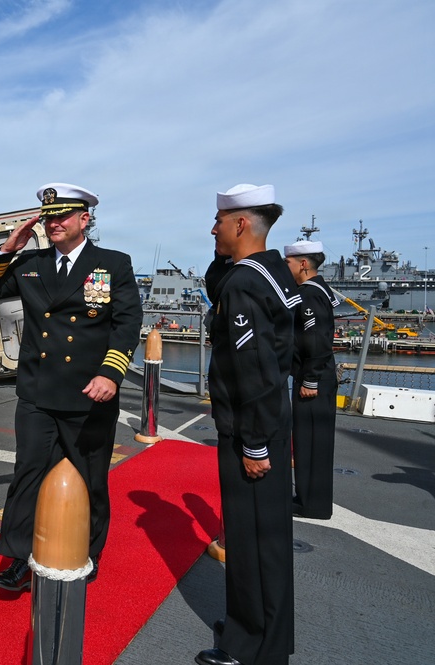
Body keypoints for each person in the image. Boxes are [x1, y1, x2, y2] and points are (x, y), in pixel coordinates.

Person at [0, 183, 142, 591]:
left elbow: (126, 324)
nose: (53, 223)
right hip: (37, 392)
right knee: (27, 474)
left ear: (85, 219)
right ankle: (18, 559)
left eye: (63, 216)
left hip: (89, 393)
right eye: (49, 216)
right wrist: (7, 250)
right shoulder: (30, 263)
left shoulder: (111, 264)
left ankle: (88, 551)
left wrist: (111, 373)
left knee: (90, 478)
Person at [198, 184, 299, 665]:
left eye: (220, 221)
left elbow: (253, 368)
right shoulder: (270, 272)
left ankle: (251, 647)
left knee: (253, 540)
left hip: (250, 427)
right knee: (267, 539)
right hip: (272, 420)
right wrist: (224, 253)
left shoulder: (244, 284)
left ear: (241, 223)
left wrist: (254, 444)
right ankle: (261, 637)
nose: (212, 228)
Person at [284, 240, 340, 519]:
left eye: (289, 263)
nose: (287, 268)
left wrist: (310, 380)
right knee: (312, 442)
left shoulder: (308, 294)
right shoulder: (320, 290)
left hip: (313, 379)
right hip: (317, 375)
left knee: (310, 441)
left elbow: (317, 340)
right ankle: (309, 498)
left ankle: (310, 504)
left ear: (303, 264)